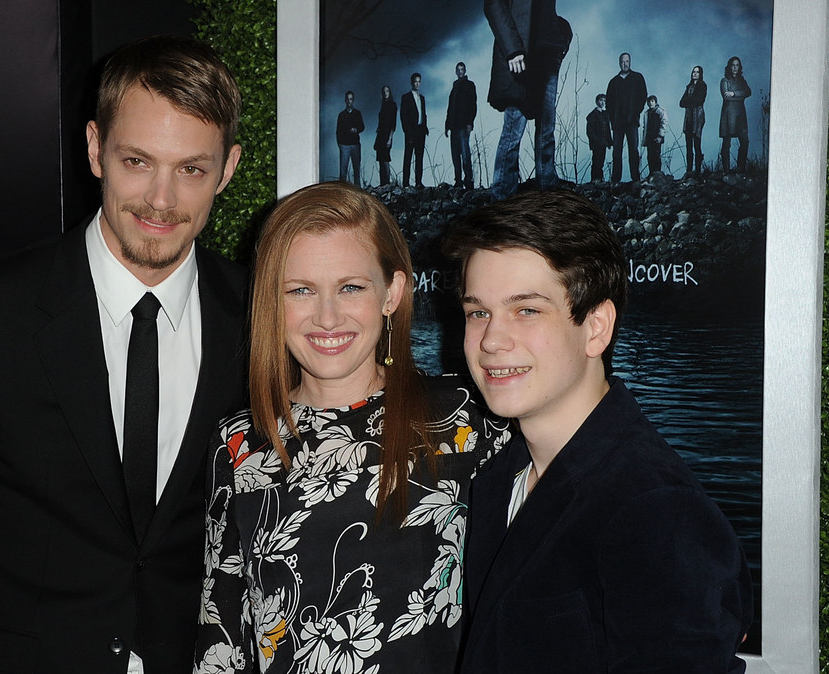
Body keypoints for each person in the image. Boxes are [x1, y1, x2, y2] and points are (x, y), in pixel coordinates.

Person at [0, 35, 249, 674]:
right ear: (95, 148)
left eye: (192, 170)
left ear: (228, 169)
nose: (161, 200)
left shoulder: (256, 315)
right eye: (138, 161)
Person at [194, 182, 510, 674]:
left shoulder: (465, 419)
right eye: (300, 290)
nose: (326, 316)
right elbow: (222, 635)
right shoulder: (239, 444)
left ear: (392, 293)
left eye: (350, 287)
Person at [443, 189, 754, 673]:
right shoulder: (498, 477)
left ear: (596, 327)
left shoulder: (656, 511)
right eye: (478, 312)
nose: (491, 340)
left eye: (526, 310)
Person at [485, 0, 572, 198]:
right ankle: (502, 196)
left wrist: (562, 38)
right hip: (523, 53)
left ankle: (547, 186)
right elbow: (493, 5)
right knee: (514, 126)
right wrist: (512, 49)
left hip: (549, 54)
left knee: (547, 125)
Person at [605, 52, 648, 182]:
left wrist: (636, 113)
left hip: (632, 121)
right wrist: (613, 119)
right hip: (618, 123)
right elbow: (609, 103)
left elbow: (643, 96)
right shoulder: (613, 82)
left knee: (633, 151)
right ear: (619, 63)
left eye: (627, 61)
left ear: (630, 62)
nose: (625, 64)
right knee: (617, 152)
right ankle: (615, 180)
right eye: (622, 62)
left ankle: (636, 178)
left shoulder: (637, 78)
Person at [445, 61, 478, 189]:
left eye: (462, 69)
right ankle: (458, 180)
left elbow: (473, 105)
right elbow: (450, 107)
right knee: (455, 155)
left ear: (465, 71)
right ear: (456, 71)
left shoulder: (469, 85)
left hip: (463, 125)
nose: (460, 71)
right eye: (458, 69)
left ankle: (468, 180)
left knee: (465, 153)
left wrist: (470, 122)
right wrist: (447, 125)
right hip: (454, 125)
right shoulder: (454, 87)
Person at [719, 56, 752, 172]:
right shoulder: (724, 81)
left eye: (737, 65)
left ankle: (740, 168)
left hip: (740, 115)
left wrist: (733, 93)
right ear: (729, 66)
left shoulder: (742, 81)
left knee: (744, 141)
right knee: (726, 142)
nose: (735, 67)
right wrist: (740, 96)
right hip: (728, 115)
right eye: (733, 65)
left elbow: (748, 92)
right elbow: (725, 96)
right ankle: (726, 170)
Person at [400, 72, 429, 188]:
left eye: (419, 81)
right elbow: (403, 116)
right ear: (412, 83)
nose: (417, 84)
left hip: (421, 130)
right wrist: (408, 131)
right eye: (415, 82)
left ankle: (418, 182)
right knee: (408, 156)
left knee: (419, 157)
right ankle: (405, 183)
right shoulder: (406, 97)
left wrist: (425, 127)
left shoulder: (422, 98)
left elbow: (423, 113)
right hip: (411, 131)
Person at [679, 65, 707, 174]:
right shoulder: (689, 86)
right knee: (688, 146)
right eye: (693, 72)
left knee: (697, 144)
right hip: (688, 119)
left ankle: (698, 171)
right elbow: (681, 103)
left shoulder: (702, 86)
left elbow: (700, 100)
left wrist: (689, 100)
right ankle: (689, 170)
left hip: (698, 118)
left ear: (700, 74)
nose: (695, 74)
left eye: (697, 72)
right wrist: (691, 101)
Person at [336, 90, 364, 186]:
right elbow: (338, 131)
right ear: (345, 100)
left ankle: (358, 192)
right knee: (343, 171)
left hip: (355, 145)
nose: (349, 101)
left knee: (356, 170)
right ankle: (341, 192)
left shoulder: (357, 113)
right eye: (347, 99)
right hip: (344, 146)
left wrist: (356, 130)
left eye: (351, 99)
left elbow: (362, 127)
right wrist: (340, 144)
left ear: (353, 100)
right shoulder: (341, 115)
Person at [585, 93, 612, 182]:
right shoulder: (592, 115)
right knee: (596, 162)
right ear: (597, 102)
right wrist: (598, 141)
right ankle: (595, 180)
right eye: (601, 100)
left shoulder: (606, 114)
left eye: (604, 100)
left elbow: (607, 129)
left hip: (604, 143)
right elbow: (590, 132)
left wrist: (608, 142)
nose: (603, 102)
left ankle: (600, 180)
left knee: (601, 162)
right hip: (597, 143)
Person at [375, 85, 397, 185]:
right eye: (384, 91)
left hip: (387, 135)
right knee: (380, 158)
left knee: (385, 159)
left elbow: (393, 123)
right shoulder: (383, 105)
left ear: (390, 92)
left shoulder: (392, 105)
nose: (385, 93)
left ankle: (387, 183)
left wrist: (390, 138)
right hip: (380, 135)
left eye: (387, 91)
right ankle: (382, 183)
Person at [643, 94, 668, 175]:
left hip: (657, 137)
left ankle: (657, 173)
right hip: (649, 137)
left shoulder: (660, 111)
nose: (650, 103)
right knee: (650, 156)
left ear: (655, 102)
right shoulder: (647, 113)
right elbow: (645, 127)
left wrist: (660, 135)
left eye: (652, 101)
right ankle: (651, 173)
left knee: (656, 155)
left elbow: (664, 123)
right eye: (649, 101)